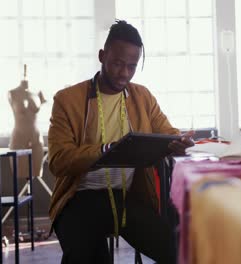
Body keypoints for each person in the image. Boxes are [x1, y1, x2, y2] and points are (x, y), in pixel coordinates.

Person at [48, 20, 194, 264]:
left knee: (176, 251)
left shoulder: (142, 97)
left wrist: (178, 141)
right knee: (87, 257)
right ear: (102, 55)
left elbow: (166, 131)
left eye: (132, 66)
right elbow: (58, 160)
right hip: (80, 198)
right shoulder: (67, 100)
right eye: (117, 63)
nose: (124, 73)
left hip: (127, 197)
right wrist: (105, 151)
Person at [8, 77, 46, 179]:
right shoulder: (12, 93)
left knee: (36, 174)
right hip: (19, 137)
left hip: (36, 138)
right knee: (20, 174)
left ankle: (31, 193)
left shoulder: (37, 94)